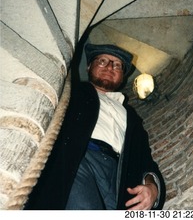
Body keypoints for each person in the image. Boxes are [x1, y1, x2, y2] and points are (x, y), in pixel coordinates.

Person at [24, 43, 166, 210]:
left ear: (123, 77)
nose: (109, 67)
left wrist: (153, 187)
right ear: (89, 66)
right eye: (102, 61)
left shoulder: (131, 117)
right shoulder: (71, 92)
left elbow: (144, 158)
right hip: (78, 158)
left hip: (120, 179)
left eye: (117, 65)